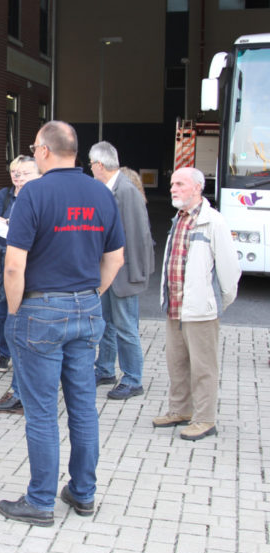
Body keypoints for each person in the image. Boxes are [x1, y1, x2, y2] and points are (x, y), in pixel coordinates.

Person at [0, 121, 125, 527]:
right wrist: (91, 296)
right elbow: (116, 259)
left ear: (46, 151)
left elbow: (14, 265)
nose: (33, 154)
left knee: (41, 412)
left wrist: (16, 312)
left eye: (34, 147)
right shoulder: (101, 193)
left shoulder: (33, 193)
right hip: (86, 309)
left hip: (39, 311)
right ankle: (83, 493)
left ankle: (40, 500)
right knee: (83, 407)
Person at [154, 167, 240, 440]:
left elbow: (229, 271)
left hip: (200, 311)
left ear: (197, 188)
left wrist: (214, 304)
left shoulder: (213, 221)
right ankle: (180, 410)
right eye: (172, 184)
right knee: (177, 364)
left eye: (180, 184)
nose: (173, 188)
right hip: (175, 308)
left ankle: (204, 419)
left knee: (203, 368)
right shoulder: (178, 219)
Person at [90, 142, 155, 399]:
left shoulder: (126, 191)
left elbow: (139, 235)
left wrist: (137, 274)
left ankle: (132, 379)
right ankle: (105, 369)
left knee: (126, 327)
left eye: (91, 165)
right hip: (108, 271)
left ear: (99, 165)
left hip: (124, 274)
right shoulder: (110, 188)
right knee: (106, 323)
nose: (90, 169)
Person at [0, 155, 40, 413]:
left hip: (29, 272)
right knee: (7, 319)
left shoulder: (38, 199)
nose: (18, 177)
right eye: (15, 172)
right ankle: (16, 382)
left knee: (20, 325)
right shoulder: (7, 196)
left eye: (24, 173)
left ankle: (21, 393)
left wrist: (9, 226)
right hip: (4, 263)